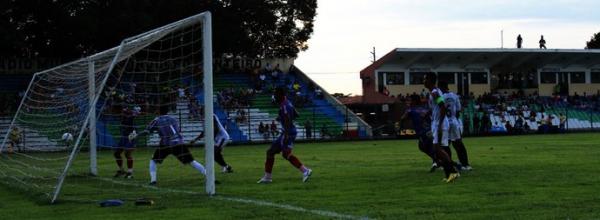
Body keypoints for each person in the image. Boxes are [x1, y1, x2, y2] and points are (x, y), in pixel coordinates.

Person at [129, 105, 211, 186]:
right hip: (178, 143)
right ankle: (209, 176)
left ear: (158, 111)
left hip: (166, 144)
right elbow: (177, 130)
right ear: (167, 111)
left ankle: (153, 181)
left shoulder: (157, 120)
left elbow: (147, 131)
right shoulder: (173, 119)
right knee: (191, 161)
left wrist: (137, 135)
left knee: (153, 160)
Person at [258, 87, 312, 183]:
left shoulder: (284, 105)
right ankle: (267, 177)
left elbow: (287, 119)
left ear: (280, 95)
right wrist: (281, 117)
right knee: (270, 152)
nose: (274, 96)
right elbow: (296, 114)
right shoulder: (287, 103)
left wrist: (286, 134)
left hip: (288, 133)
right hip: (286, 132)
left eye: (275, 94)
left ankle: (306, 171)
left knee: (286, 154)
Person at [423, 72, 459, 183]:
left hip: (440, 123)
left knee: (437, 149)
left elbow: (443, 107)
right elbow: (438, 107)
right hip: (439, 122)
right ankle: (449, 174)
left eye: (425, 79)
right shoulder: (434, 92)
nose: (423, 81)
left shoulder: (434, 93)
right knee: (439, 149)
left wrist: (439, 124)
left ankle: (453, 171)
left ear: (430, 80)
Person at [439, 81, 472, 171]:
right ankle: (465, 164)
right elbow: (458, 110)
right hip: (453, 121)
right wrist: (454, 119)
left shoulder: (440, 97)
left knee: (444, 145)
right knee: (458, 144)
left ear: (441, 88)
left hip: (445, 123)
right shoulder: (455, 96)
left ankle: (447, 164)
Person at [113, 106, 140, 179]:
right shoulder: (122, 119)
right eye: (122, 113)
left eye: (124, 113)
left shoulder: (130, 118)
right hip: (124, 137)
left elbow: (135, 116)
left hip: (130, 137)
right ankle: (121, 170)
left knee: (127, 154)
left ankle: (130, 172)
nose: (122, 114)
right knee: (116, 153)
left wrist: (134, 135)